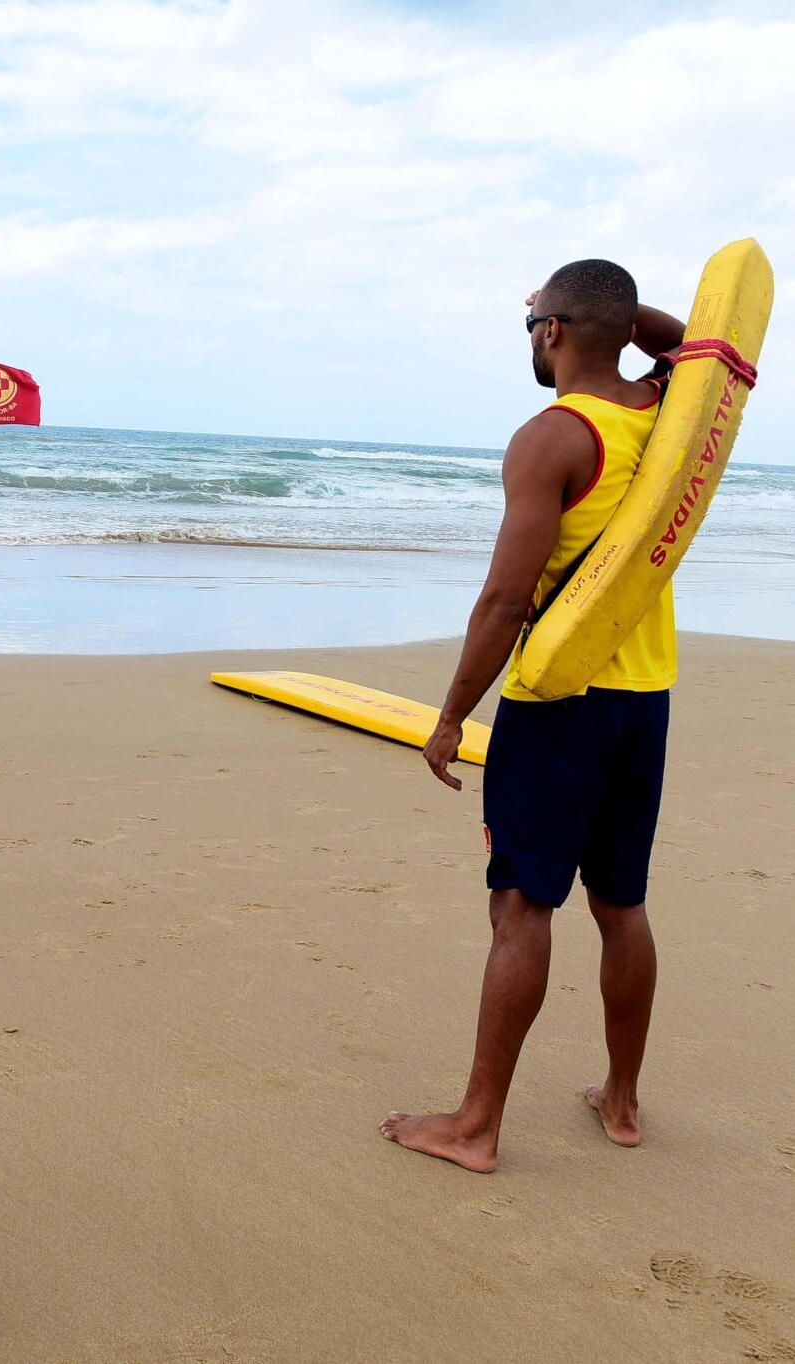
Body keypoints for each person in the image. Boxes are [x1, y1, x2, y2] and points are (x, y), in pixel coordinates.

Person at [380, 260, 686, 1173]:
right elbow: (682, 343)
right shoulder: (662, 410)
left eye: (533, 325)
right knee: (621, 904)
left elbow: (506, 599)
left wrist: (448, 717)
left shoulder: (551, 437)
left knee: (521, 906)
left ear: (552, 334)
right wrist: (613, 316)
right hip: (645, 697)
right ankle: (622, 1102)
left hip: (558, 705)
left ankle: (476, 1126)